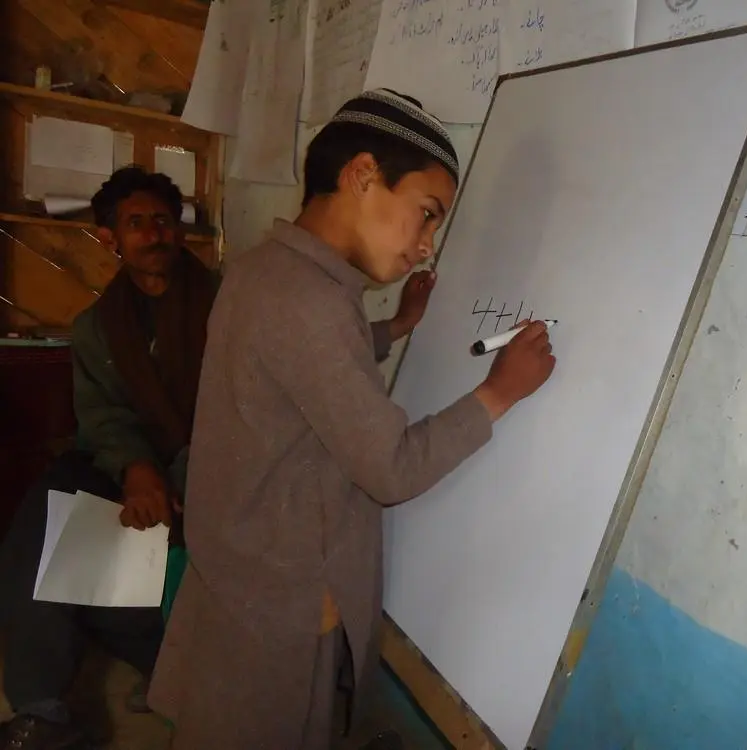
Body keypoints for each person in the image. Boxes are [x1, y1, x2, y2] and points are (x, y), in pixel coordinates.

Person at [148, 89, 556, 749]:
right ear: (363, 175)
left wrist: (394, 327)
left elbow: (303, 370)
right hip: (282, 605)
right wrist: (498, 393)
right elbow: (391, 468)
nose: (427, 246)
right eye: (427, 215)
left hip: (241, 580)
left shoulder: (265, 271)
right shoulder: (311, 301)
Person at [0, 166, 217, 750]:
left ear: (180, 231)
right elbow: (101, 415)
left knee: (159, 561)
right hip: (124, 459)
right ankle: (41, 711)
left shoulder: (228, 305)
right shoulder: (97, 327)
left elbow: (242, 404)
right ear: (110, 237)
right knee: (48, 513)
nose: (153, 233)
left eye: (163, 221)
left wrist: (177, 475)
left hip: (212, 461)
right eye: (136, 222)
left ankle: (171, 667)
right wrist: (135, 468)